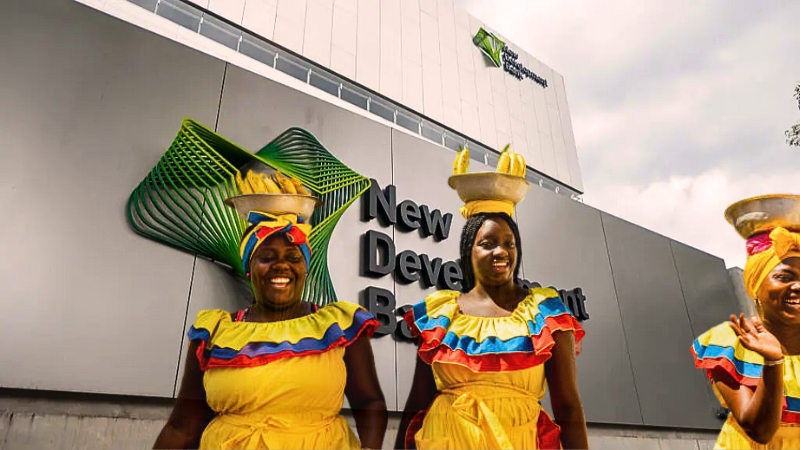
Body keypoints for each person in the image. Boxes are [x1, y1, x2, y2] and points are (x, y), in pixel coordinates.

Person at [153, 173, 387, 449]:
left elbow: (370, 402)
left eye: (293, 257)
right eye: (266, 257)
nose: (281, 265)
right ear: (249, 268)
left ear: (305, 269)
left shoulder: (338, 325)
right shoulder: (215, 331)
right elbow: (182, 426)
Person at [395, 161, 589, 449]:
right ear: (468, 250)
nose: (501, 251)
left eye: (509, 243)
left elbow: (568, 407)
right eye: (488, 243)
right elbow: (417, 402)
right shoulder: (441, 315)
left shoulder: (545, 313)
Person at [692, 196, 800, 449]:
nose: (797, 286)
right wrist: (773, 362)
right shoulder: (732, 340)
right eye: (784, 277)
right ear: (755, 286)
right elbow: (759, 430)